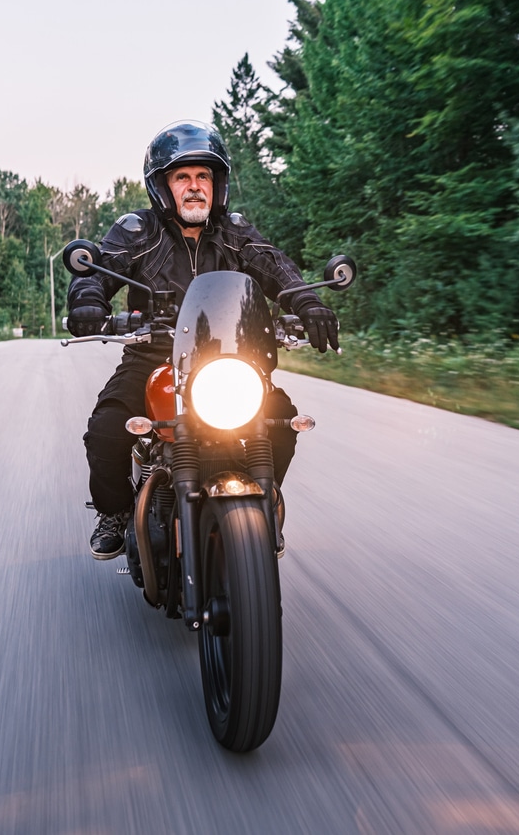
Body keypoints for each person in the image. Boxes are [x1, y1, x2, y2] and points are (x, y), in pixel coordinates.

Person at [66, 120, 339, 559]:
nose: (195, 186)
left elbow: (277, 268)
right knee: (105, 431)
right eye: (182, 177)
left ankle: (261, 507)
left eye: (203, 176)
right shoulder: (138, 231)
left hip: (230, 360)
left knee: (282, 422)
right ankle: (114, 512)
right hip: (155, 357)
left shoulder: (236, 232)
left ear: (217, 184)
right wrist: (87, 300)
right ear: (162, 186)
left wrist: (309, 304)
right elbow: (99, 269)